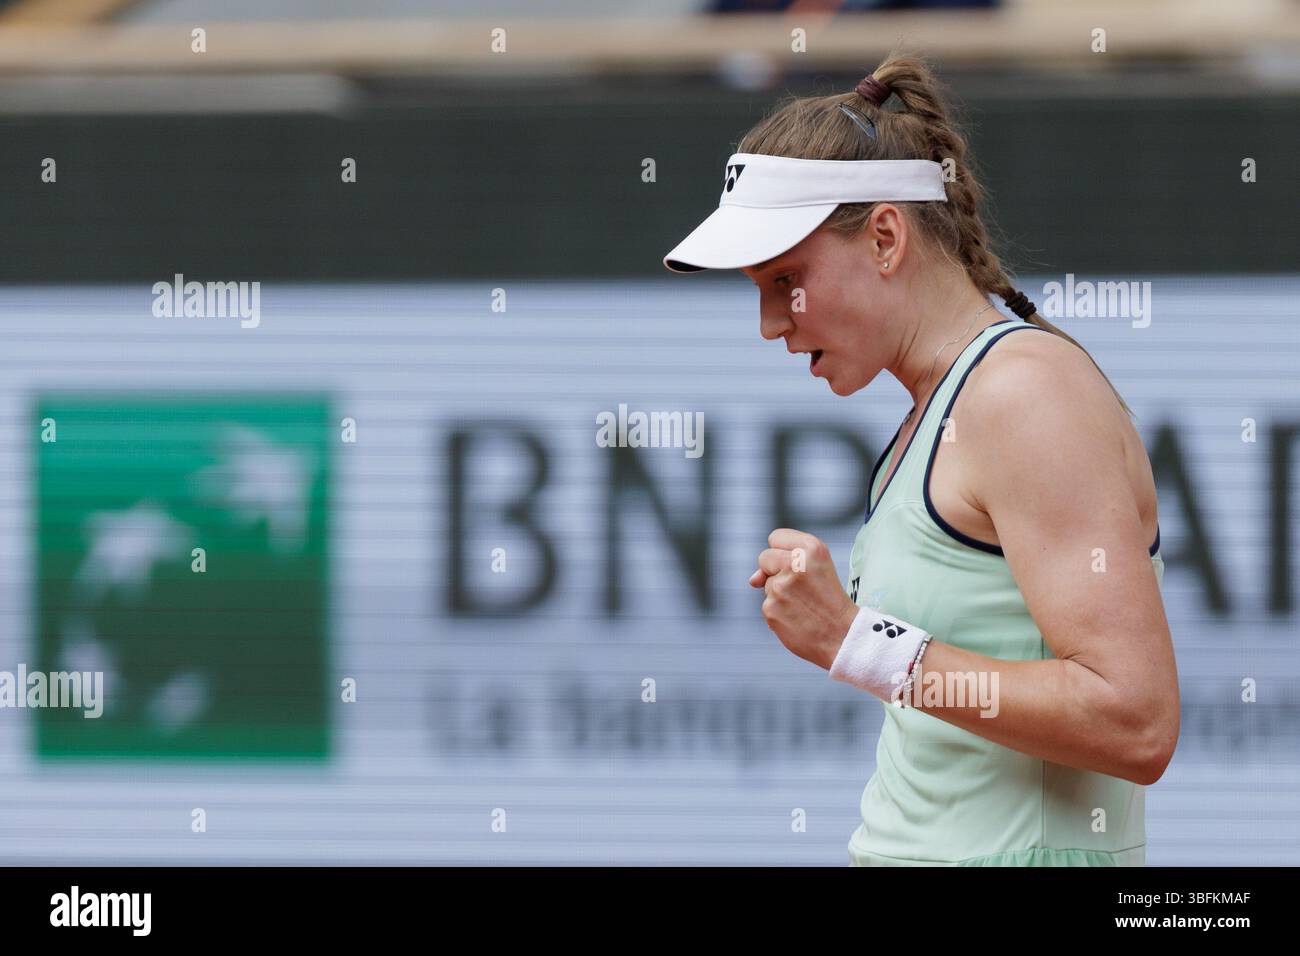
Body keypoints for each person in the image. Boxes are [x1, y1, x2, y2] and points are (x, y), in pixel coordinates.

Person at [662, 52, 1179, 866]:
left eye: (786, 281)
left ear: (885, 235)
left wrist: (858, 642)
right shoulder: (941, 409)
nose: (771, 323)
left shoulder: (1023, 395)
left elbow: (1135, 720)